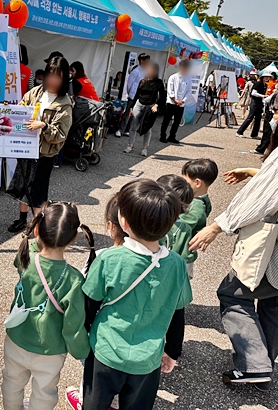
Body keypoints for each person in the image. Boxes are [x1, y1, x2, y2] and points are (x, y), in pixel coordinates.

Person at [189, 82, 278, 389]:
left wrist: (216, 226)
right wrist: (255, 172)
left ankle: (254, 365)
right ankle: (262, 366)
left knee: (232, 294)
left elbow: (260, 200)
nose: (273, 116)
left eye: (277, 110)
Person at [82, 179, 192, 410]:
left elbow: (89, 305)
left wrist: (82, 337)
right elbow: (177, 312)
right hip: (147, 359)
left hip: (106, 351)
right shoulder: (177, 265)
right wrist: (172, 351)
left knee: (95, 404)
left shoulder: (109, 259)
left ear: (123, 221)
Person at [2, 202, 94, 410]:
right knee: (44, 392)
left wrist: (38, 232)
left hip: (16, 339)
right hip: (50, 350)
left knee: (11, 383)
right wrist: (82, 351)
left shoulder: (24, 257)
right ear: (73, 238)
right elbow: (73, 325)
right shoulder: (74, 280)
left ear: (36, 229)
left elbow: (33, 244)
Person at [65, 194, 126, 410]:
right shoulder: (162, 260)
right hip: (137, 344)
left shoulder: (101, 256)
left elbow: (87, 295)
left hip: (102, 338)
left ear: (111, 226)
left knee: (93, 378)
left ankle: (84, 400)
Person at [6, 57, 73, 233]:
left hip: (44, 155)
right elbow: (23, 108)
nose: (53, 80)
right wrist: (19, 109)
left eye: (58, 77)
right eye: (50, 75)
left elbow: (61, 135)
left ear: (64, 79)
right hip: (27, 148)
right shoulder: (35, 92)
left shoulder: (65, 104)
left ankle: (37, 225)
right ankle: (22, 219)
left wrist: (43, 126)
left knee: (38, 192)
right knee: (23, 186)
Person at [157, 175, 195, 373]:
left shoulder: (154, 226)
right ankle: (170, 351)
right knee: (174, 315)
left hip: (156, 278)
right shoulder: (184, 228)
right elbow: (187, 255)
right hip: (176, 278)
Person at [124, 62, 166, 157]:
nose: (149, 71)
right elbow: (136, 94)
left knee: (147, 128)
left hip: (150, 106)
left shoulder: (158, 82)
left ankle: (144, 148)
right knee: (133, 126)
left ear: (155, 71)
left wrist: (157, 105)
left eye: (151, 69)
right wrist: (131, 107)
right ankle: (130, 145)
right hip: (139, 104)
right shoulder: (143, 81)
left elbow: (163, 96)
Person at [251, 74, 278, 155]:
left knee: (268, 132)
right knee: (270, 132)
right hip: (274, 112)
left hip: (275, 113)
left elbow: (268, 99)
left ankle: (262, 148)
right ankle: (266, 147)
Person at [116, 53, 151, 138]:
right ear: (142, 61)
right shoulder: (135, 71)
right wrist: (131, 93)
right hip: (133, 95)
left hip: (141, 96)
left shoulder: (146, 71)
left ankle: (128, 129)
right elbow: (129, 84)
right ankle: (120, 130)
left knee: (135, 113)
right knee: (128, 113)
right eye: (146, 61)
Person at [161, 59, 192, 144]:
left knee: (177, 121)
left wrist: (183, 101)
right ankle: (162, 135)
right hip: (171, 103)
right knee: (166, 120)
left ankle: (172, 136)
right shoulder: (173, 77)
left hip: (181, 104)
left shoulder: (188, 79)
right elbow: (170, 90)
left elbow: (189, 91)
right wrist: (175, 100)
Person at [237, 71, 269, 139]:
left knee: (258, 119)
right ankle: (239, 132)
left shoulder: (265, 85)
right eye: (266, 77)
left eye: (268, 77)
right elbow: (253, 93)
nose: (267, 78)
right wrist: (263, 96)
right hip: (254, 102)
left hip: (260, 102)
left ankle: (254, 134)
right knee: (250, 117)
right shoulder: (258, 84)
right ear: (262, 77)